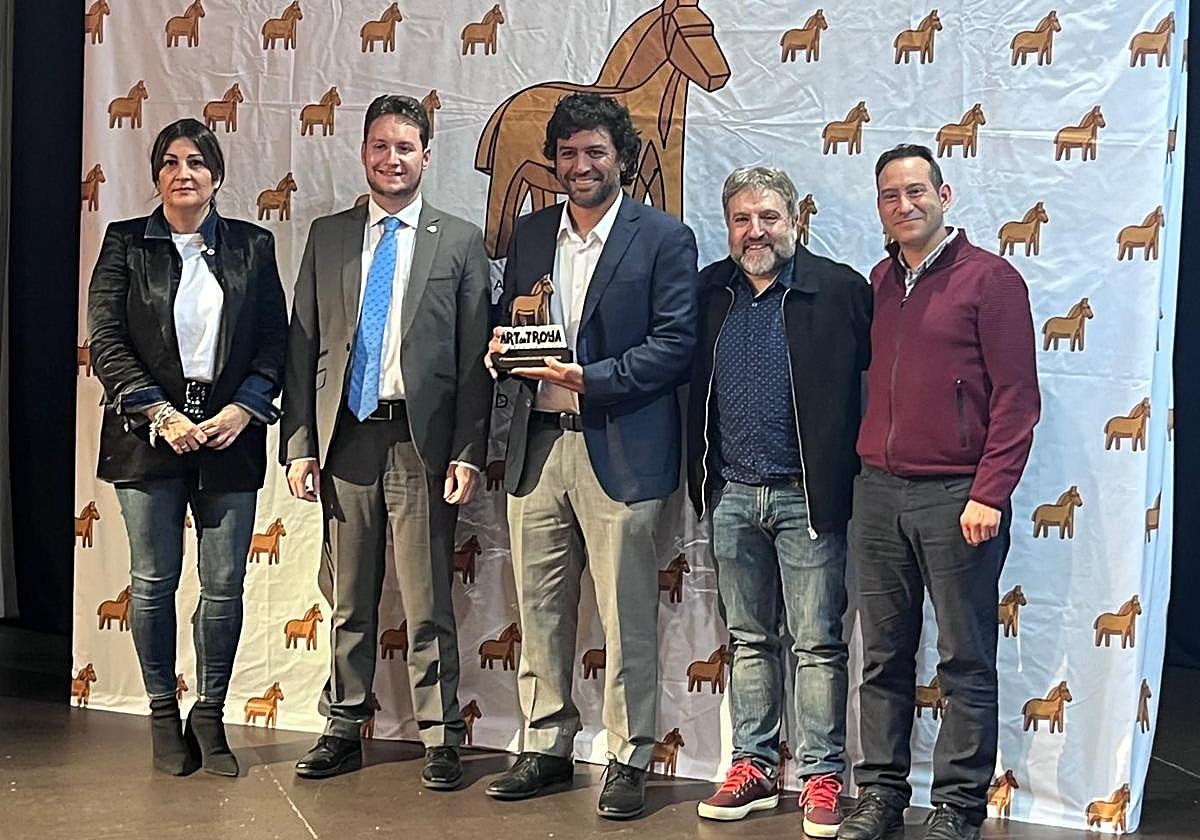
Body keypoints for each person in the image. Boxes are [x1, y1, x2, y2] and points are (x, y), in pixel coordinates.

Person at [482, 92, 698, 820]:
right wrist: (499, 352)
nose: (581, 165)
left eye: (596, 152)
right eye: (569, 153)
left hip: (623, 449)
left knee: (625, 613)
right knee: (540, 608)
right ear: (554, 162)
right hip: (538, 446)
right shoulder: (531, 232)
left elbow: (675, 345)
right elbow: (512, 320)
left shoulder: (664, 237)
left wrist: (590, 379)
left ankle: (629, 756)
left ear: (622, 160)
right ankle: (545, 744)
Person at [280, 94, 491, 788]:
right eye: (380, 146)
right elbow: (303, 345)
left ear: (426, 156)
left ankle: (441, 736)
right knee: (348, 599)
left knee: (428, 603)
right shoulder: (329, 236)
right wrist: (300, 444)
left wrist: (467, 451)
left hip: (421, 446)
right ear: (363, 152)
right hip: (346, 441)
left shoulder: (458, 241)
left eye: (405, 147)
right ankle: (343, 726)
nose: (391, 158)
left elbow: (472, 364)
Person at [839, 144, 1040, 840]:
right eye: (890, 196)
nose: (905, 205)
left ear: (944, 195)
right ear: (879, 208)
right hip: (878, 492)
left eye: (916, 191)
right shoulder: (877, 281)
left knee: (963, 656)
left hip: (958, 496)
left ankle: (958, 804)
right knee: (882, 656)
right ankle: (881, 793)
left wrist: (990, 491)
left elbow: (1017, 399)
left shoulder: (992, 280)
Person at [87, 117, 288, 777]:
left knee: (224, 586)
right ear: (156, 175)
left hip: (229, 433)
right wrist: (159, 412)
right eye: (170, 162)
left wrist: (244, 407)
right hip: (148, 436)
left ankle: (210, 713)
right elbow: (106, 340)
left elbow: (274, 340)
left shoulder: (253, 245)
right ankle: (160, 715)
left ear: (216, 175)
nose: (184, 173)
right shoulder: (124, 243)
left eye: (197, 162)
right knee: (153, 583)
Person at [686, 166, 871, 835]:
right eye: (742, 219)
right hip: (733, 495)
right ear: (728, 226)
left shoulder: (840, 290)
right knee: (748, 639)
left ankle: (822, 775)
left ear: (796, 220)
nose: (755, 231)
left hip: (808, 500)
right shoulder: (709, 292)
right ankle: (754, 767)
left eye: (768, 217)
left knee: (817, 643)